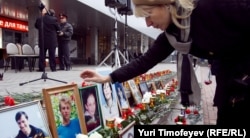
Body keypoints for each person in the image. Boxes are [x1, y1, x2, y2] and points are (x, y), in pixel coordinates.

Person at [80, 0, 250, 126]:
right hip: (230, 82)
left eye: (148, 15)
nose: (148, 23)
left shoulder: (210, 7)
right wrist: (109, 77)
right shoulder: (172, 36)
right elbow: (144, 62)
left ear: (166, 4)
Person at [35, 8, 60, 72]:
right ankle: (53, 68)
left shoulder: (39, 19)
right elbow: (58, 28)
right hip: (52, 40)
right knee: (52, 55)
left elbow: (36, 26)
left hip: (42, 40)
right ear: (53, 14)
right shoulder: (54, 19)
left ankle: (41, 68)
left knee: (42, 55)